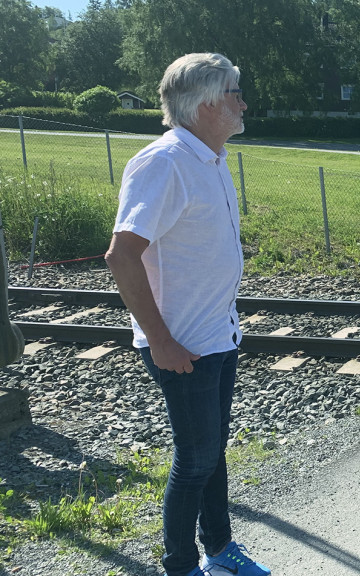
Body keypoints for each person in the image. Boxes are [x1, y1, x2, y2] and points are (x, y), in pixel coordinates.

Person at [105, 53, 271, 576]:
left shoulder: (211, 158)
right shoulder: (165, 162)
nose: (243, 103)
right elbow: (121, 255)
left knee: (212, 454)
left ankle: (220, 552)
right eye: (234, 93)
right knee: (196, 460)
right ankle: (180, 565)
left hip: (218, 336)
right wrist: (160, 341)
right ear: (203, 104)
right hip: (183, 346)